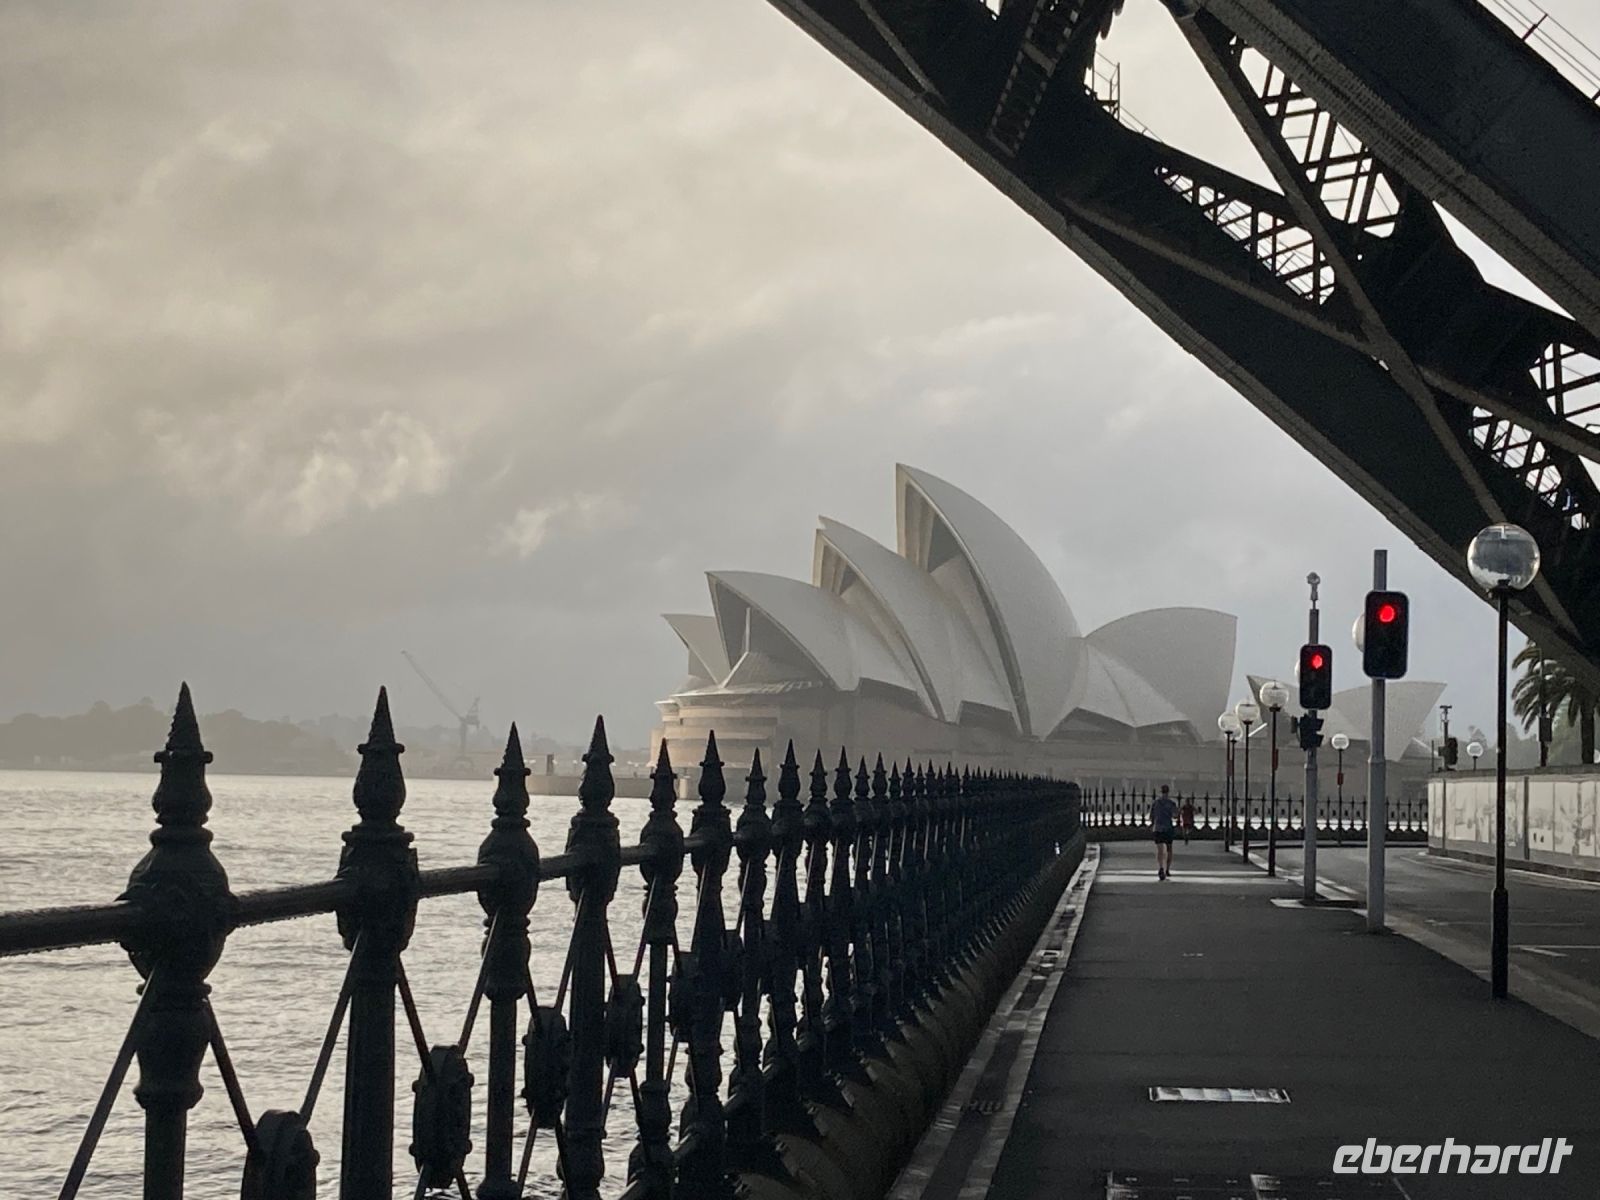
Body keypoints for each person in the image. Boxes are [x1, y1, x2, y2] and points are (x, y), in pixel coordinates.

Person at [1151, 784, 1178, 879]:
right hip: (1168, 828)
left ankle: (1161, 867)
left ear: (1161, 791)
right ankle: (1167, 869)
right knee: (1169, 849)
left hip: (1158, 828)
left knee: (1160, 850)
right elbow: (1175, 816)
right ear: (1168, 792)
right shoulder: (1171, 803)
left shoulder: (1156, 803)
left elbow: (1152, 816)